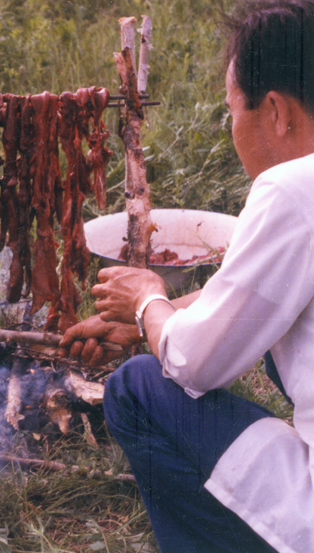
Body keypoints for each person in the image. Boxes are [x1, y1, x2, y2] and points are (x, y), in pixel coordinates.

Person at [59, 1, 314, 551]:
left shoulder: (293, 189)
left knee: (136, 388)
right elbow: (254, 298)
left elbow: (197, 363)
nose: (232, 130)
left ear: (276, 111)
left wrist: (148, 298)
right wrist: (147, 320)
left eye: (232, 110)